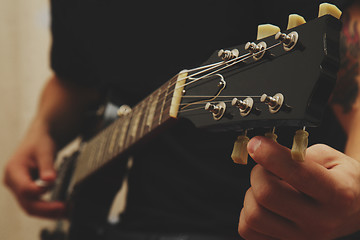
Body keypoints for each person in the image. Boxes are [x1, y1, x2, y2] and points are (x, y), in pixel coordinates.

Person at [3, 0, 360, 239]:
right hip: (142, 218)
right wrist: (43, 130)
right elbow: (75, 78)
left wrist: (355, 196)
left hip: (276, 223)